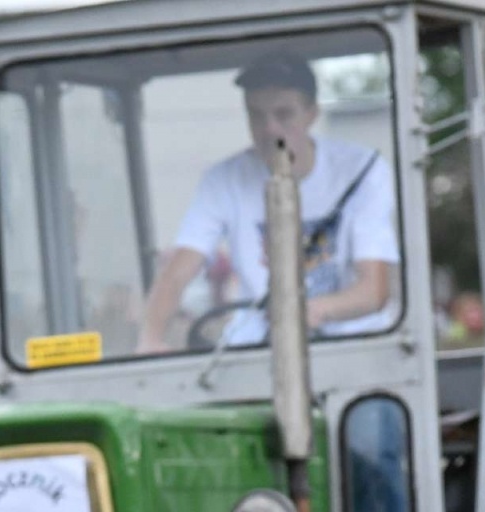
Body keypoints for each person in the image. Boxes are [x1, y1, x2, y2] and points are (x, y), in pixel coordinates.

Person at [136, 51, 399, 353]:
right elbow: (179, 269)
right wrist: (150, 338)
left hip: (352, 347)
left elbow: (374, 291)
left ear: (312, 113)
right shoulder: (223, 180)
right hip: (259, 348)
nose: (270, 129)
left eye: (284, 114)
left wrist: (313, 311)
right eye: (257, 116)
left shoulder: (361, 169)